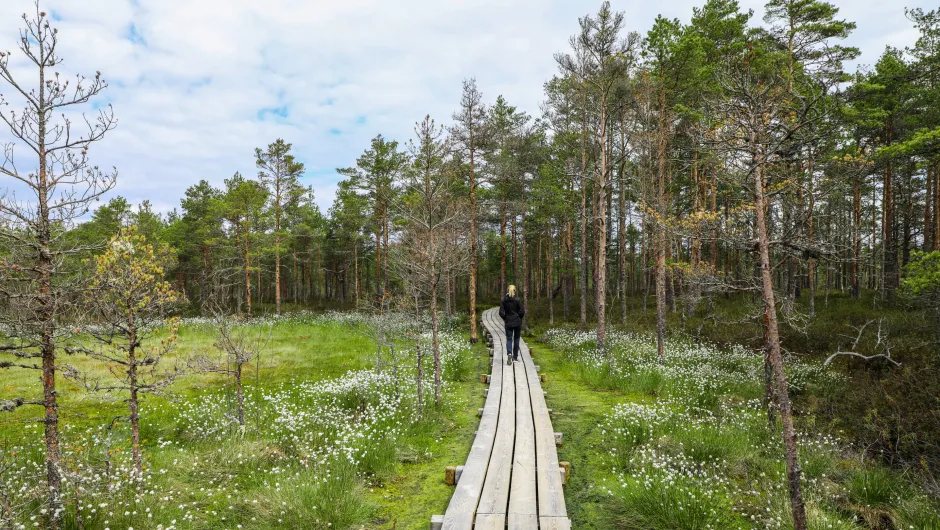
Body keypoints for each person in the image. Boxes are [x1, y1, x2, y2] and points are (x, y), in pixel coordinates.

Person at [499, 285, 525, 364]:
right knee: (516, 339)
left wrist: (505, 318)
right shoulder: (517, 300)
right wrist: (519, 318)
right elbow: (522, 311)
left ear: (507, 290)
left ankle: (509, 353)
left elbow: (501, 312)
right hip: (517, 322)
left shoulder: (503, 300)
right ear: (515, 291)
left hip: (508, 322)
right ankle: (515, 357)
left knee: (509, 339)